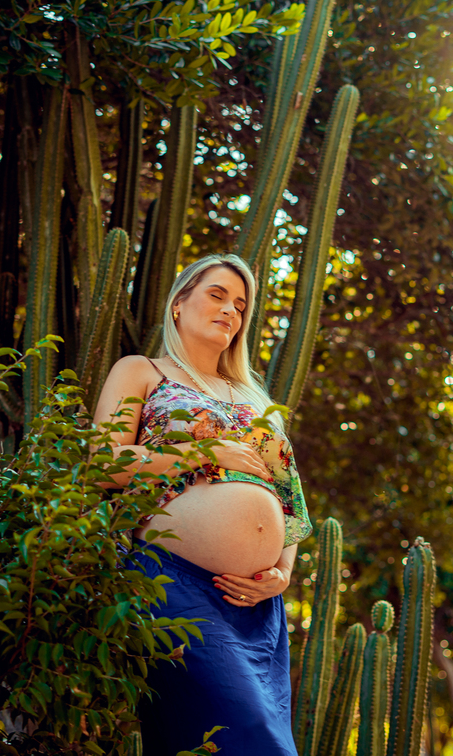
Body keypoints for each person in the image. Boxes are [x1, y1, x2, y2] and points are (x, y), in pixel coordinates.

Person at [91, 253, 312, 755]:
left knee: (258, 741)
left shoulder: (253, 398)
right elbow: (103, 462)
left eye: (240, 305)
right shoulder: (142, 371)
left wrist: (282, 572)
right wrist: (205, 449)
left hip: (256, 604)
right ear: (178, 304)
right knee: (247, 740)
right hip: (176, 582)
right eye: (217, 295)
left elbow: (289, 496)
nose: (230, 311)